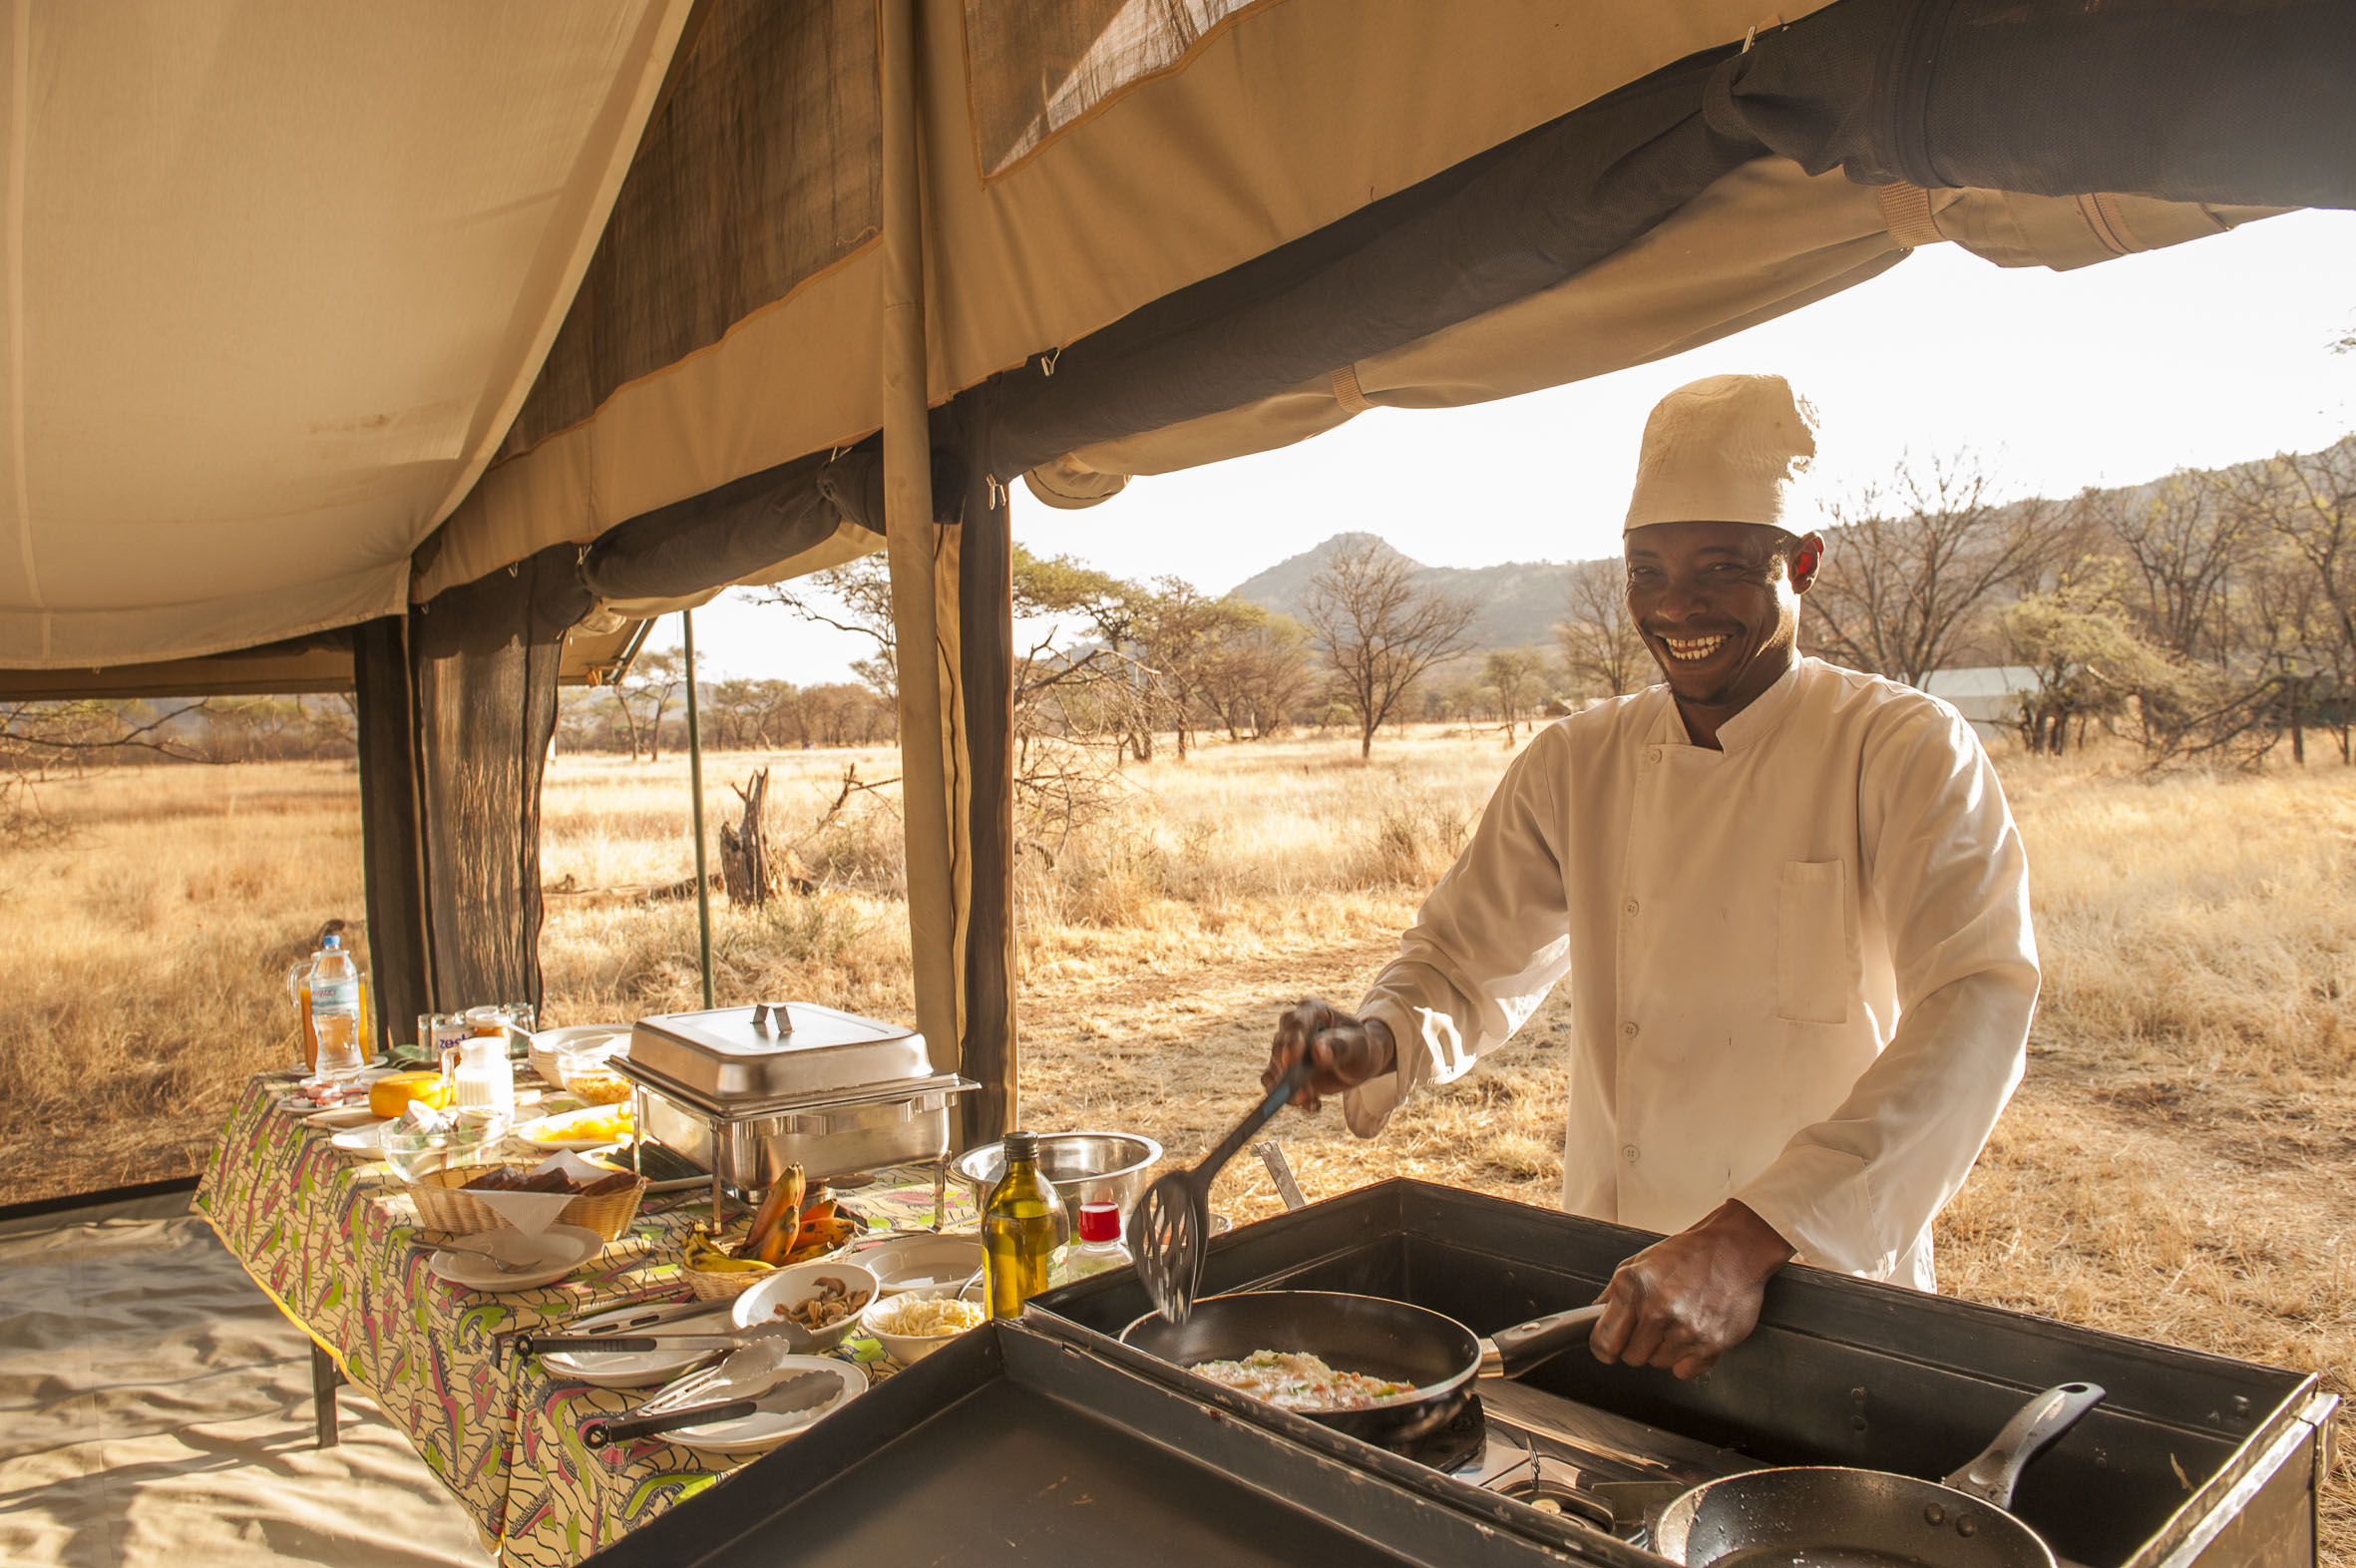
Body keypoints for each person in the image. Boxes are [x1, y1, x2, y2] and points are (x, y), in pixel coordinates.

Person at [1263, 373, 2038, 1380]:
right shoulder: (1577, 761)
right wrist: (1376, 1038)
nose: (1677, 604)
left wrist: (1747, 1236)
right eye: (1647, 571)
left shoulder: (1899, 748)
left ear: (1801, 562)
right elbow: (1464, 955)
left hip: (1814, 1264)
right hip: (1618, 1272)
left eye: (1720, 565)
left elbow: (1976, 1005)